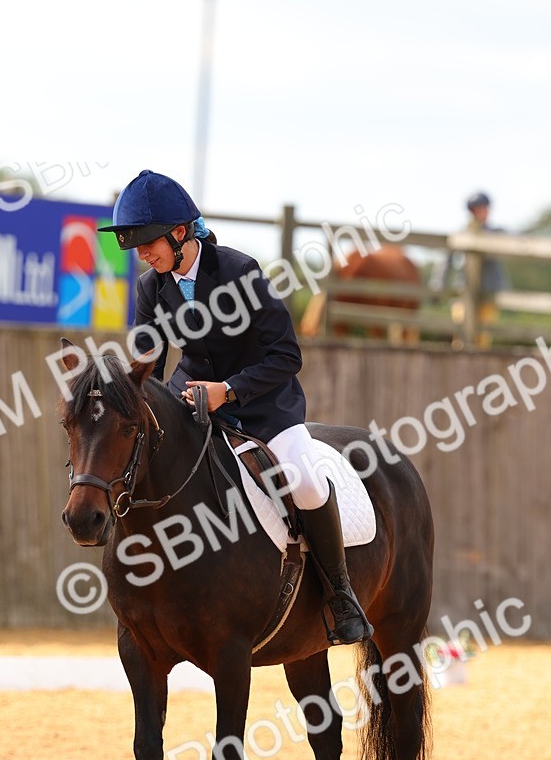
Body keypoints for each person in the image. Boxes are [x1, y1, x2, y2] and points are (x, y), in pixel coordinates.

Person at [99, 169, 373, 645]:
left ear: (179, 233)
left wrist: (229, 389)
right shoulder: (150, 288)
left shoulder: (239, 272)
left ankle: (340, 594)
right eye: (136, 247)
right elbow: (147, 365)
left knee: (305, 483)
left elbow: (287, 356)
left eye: (147, 244)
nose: (141, 254)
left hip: (264, 407)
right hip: (194, 406)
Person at [432, 192, 507, 348]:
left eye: (484, 208)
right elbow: (446, 260)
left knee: (483, 339)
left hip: (488, 292)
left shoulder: (497, 234)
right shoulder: (461, 234)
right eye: (478, 209)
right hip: (463, 290)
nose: (482, 212)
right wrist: (438, 285)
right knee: (460, 334)